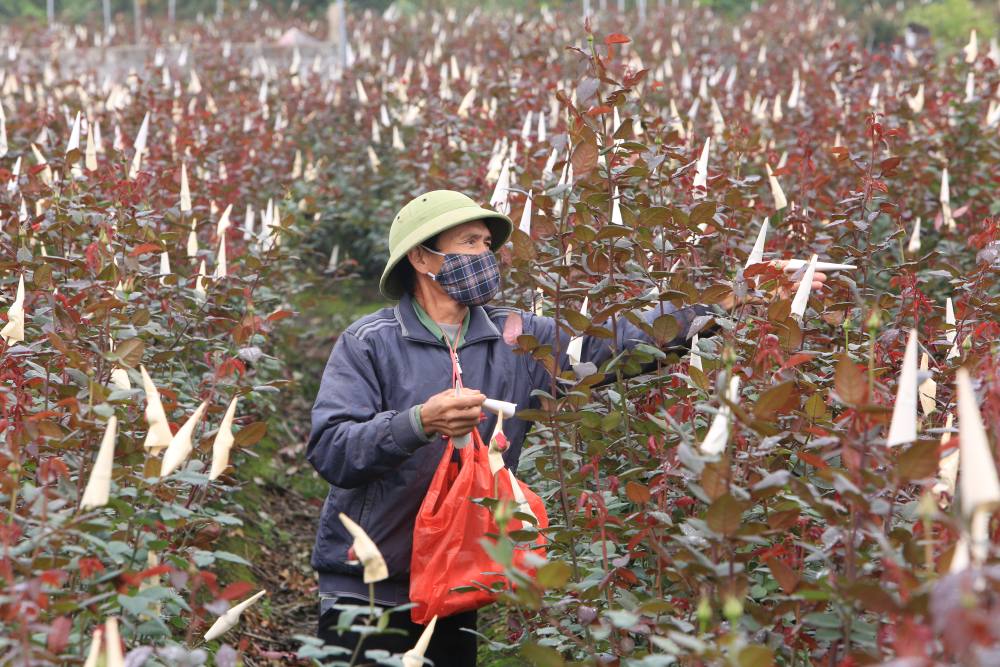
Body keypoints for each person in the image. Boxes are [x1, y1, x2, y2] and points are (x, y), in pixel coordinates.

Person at [306, 190, 826, 665]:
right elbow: (332, 449)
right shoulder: (370, 343)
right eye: (468, 242)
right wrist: (418, 422)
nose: (485, 255)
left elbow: (617, 344)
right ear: (422, 258)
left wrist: (734, 295)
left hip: (457, 578)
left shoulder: (518, 338)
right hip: (368, 582)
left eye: (487, 244)